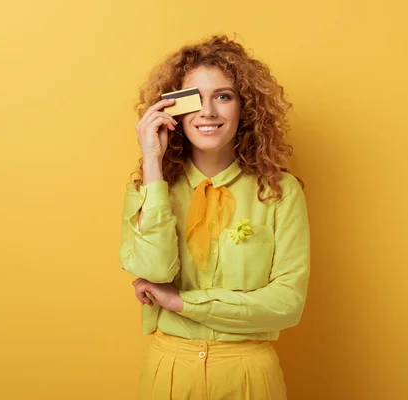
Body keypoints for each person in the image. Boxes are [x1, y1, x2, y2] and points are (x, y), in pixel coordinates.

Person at [119, 34, 310, 400]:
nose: (208, 112)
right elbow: (154, 270)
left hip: (248, 375)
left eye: (223, 96)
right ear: (172, 109)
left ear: (244, 107)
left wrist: (181, 303)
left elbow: (286, 305)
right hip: (168, 373)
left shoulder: (279, 191)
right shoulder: (150, 187)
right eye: (194, 99)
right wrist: (152, 164)